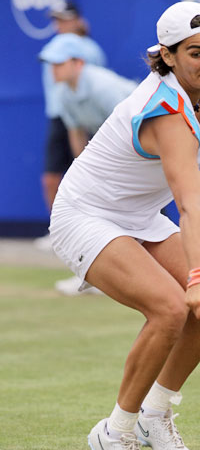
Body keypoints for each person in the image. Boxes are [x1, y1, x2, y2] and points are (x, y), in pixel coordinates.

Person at [49, 1, 200, 450]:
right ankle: (117, 433)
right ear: (168, 56)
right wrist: (194, 277)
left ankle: (155, 413)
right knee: (172, 308)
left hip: (135, 215)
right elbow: (192, 205)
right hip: (84, 214)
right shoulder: (166, 111)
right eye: (196, 53)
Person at [39, 32, 137, 295]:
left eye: (59, 63)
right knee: (95, 209)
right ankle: (91, 276)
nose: (54, 70)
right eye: (52, 64)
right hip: (114, 141)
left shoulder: (103, 87)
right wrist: (84, 172)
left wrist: (120, 173)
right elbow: (76, 133)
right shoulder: (63, 94)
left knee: (142, 214)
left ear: (78, 63)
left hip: (143, 138)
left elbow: (131, 129)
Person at [35, 1, 107, 252]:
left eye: (64, 19)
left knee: (94, 177)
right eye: (56, 19)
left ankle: (93, 232)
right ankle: (61, 232)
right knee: (52, 178)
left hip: (86, 117)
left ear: (76, 20)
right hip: (60, 116)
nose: (60, 24)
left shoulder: (89, 50)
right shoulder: (53, 47)